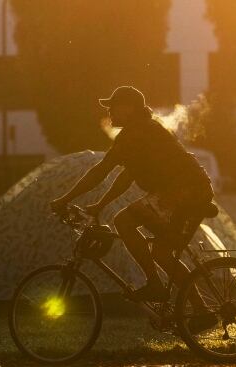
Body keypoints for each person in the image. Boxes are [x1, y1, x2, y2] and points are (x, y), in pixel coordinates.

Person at [50, 86, 214, 307]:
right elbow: (126, 177)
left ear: (128, 108)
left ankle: (155, 284)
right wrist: (100, 204)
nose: (109, 112)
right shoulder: (143, 129)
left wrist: (64, 199)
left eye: (113, 107)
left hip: (182, 192)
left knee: (123, 221)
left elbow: (101, 171)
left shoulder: (135, 133)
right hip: (191, 190)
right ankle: (201, 309)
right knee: (162, 254)